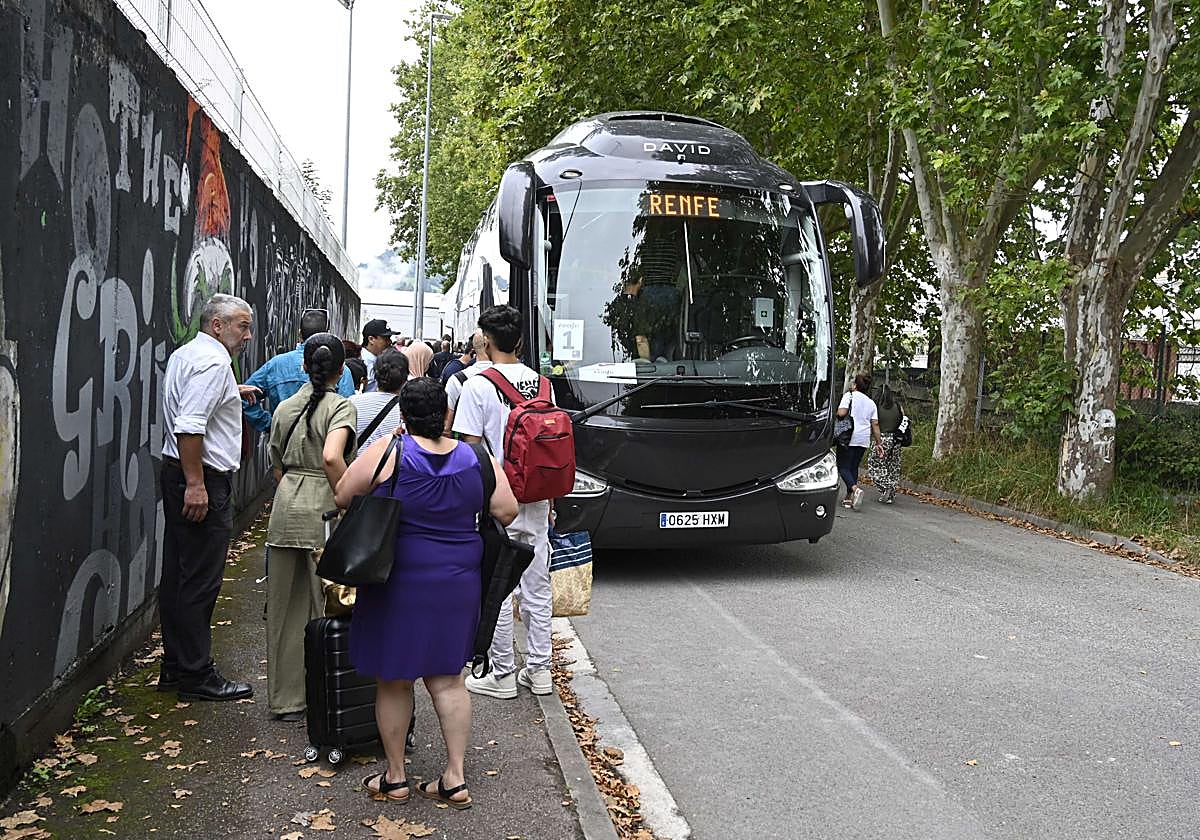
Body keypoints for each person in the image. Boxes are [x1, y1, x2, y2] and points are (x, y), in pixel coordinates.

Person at [337, 378, 518, 808]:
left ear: (403, 415)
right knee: (449, 679)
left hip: (395, 578)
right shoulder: (477, 458)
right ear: (447, 416)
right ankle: (454, 778)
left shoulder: (389, 451)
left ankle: (396, 778)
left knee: (394, 678)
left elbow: (343, 494)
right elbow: (507, 511)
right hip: (457, 580)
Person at [159, 294, 260, 701]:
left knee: (179, 574)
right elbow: (190, 423)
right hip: (201, 479)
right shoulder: (214, 362)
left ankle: (176, 666)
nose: (247, 335)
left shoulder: (189, 355)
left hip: (177, 474)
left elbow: (192, 401)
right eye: (241, 325)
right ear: (217, 325)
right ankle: (196, 673)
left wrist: (231, 392)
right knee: (201, 579)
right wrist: (197, 483)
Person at [453, 305, 555, 699]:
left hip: (497, 498)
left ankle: (502, 672)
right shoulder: (544, 385)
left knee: (498, 584)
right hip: (538, 497)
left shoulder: (478, 385)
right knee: (537, 583)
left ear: (487, 341)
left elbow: (470, 450)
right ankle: (540, 671)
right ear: (522, 342)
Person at [264, 334, 358, 721]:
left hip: (286, 510)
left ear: (304, 366)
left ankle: (286, 699)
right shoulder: (341, 408)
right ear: (341, 369)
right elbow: (333, 458)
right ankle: (329, 690)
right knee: (332, 606)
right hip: (325, 512)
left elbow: (276, 466)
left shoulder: (285, 408)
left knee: (286, 608)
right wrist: (347, 497)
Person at [242, 309, 355, 434]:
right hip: (326, 446)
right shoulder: (341, 369)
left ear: (300, 334)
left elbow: (244, 398)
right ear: (327, 335)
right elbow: (347, 412)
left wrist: (271, 425)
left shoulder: (276, 364)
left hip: (283, 447)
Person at [836, 373, 884, 511]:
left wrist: (836, 412)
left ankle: (855, 490)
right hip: (863, 439)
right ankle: (849, 498)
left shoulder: (849, 396)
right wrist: (879, 443)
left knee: (843, 467)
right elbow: (875, 425)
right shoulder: (871, 403)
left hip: (848, 436)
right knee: (853, 467)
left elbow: (841, 413)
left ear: (855, 385)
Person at [350, 349, 409, 457]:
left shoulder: (353, 402)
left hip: (355, 469)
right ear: (405, 378)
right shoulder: (408, 410)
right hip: (390, 470)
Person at [444, 331, 491, 434]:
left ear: (473, 348)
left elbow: (446, 427)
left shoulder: (457, 380)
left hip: (470, 448)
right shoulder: (517, 375)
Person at [871, 385, 905, 504]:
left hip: (882, 439)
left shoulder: (876, 406)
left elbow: (874, 424)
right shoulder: (897, 405)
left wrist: (877, 441)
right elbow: (904, 419)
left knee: (875, 465)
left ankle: (885, 486)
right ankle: (891, 494)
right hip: (896, 440)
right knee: (893, 467)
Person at [361, 319, 400, 392]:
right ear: (371, 339)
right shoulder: (362, 362)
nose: (390, 342)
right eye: (386, 338)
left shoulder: (378, 360)